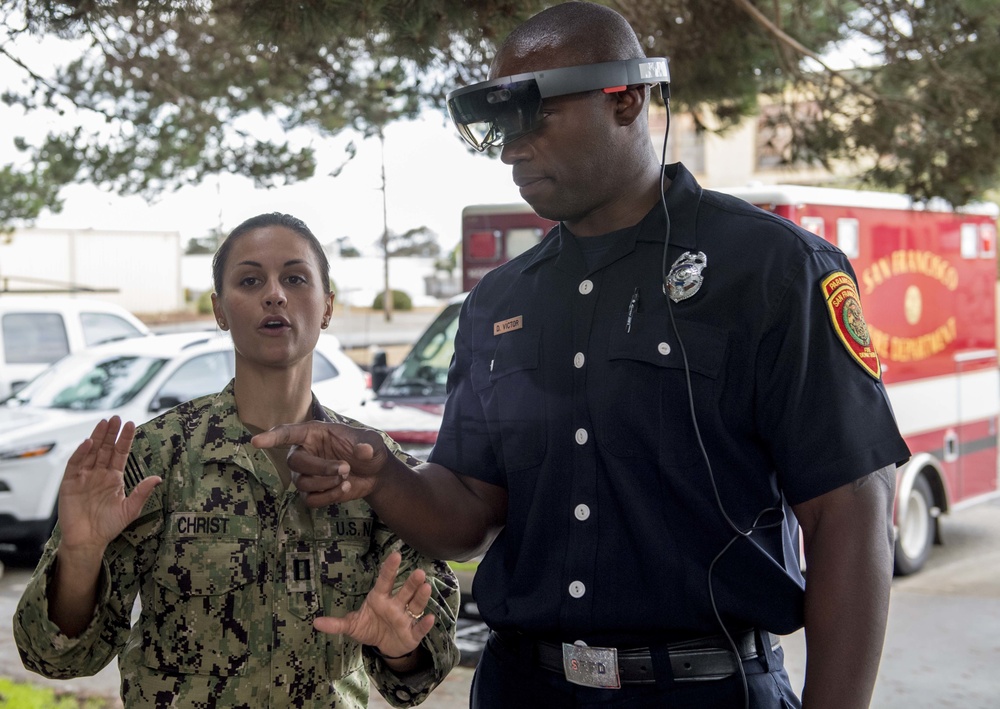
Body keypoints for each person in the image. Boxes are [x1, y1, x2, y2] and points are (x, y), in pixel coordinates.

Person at [252, 3, 910, 707]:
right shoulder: (498, 301)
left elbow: (848, 514)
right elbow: (470, 510)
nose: (511, 148)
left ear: (624, 98)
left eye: (533, 115)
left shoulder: (773, 270)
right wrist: (383, 472)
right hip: (523, 689)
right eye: (500, 126)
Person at [13, 213, 460, 708]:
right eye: (250, 280)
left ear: (328, 306)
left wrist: (400, 650)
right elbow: (57, 658)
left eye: (295, 278)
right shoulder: (156, 456)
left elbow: (419, 669)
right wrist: (80, 554)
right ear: (220, 309)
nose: (275, 295)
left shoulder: (373, 466)